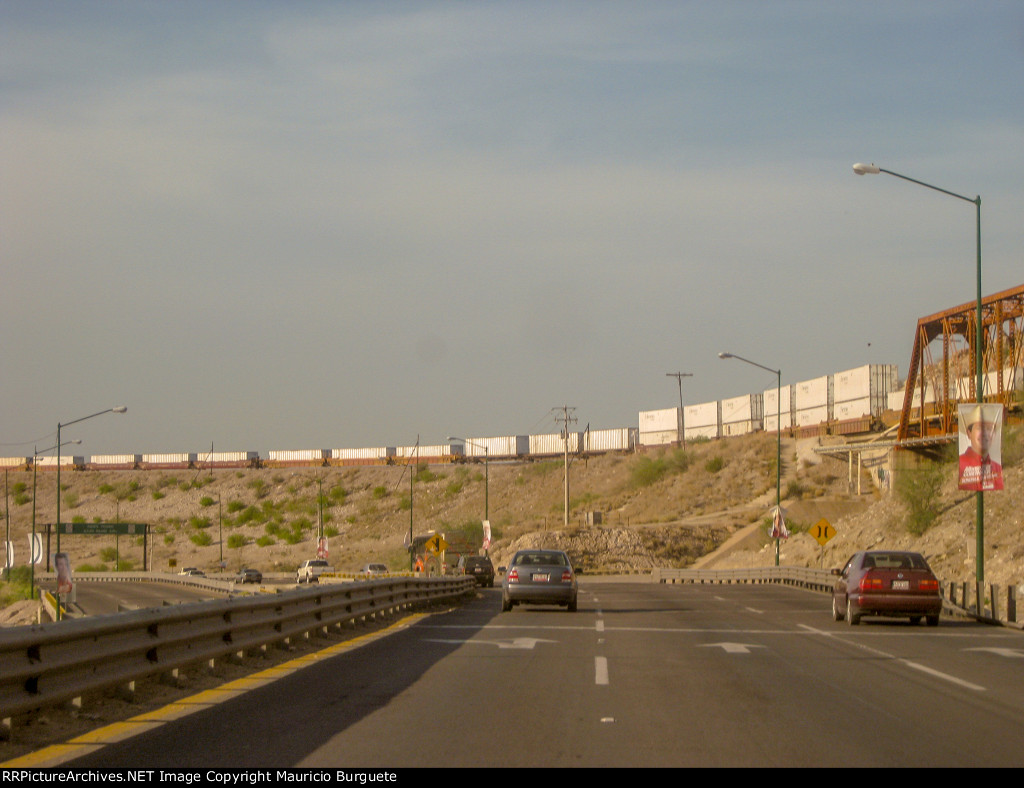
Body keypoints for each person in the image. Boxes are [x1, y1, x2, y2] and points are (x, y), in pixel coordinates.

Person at [958, 405, 1003, 491]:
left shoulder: (997, 467)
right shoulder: (961, 465)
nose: (984, 433)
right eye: (979, 428)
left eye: (989, 429)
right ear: (969, 433)